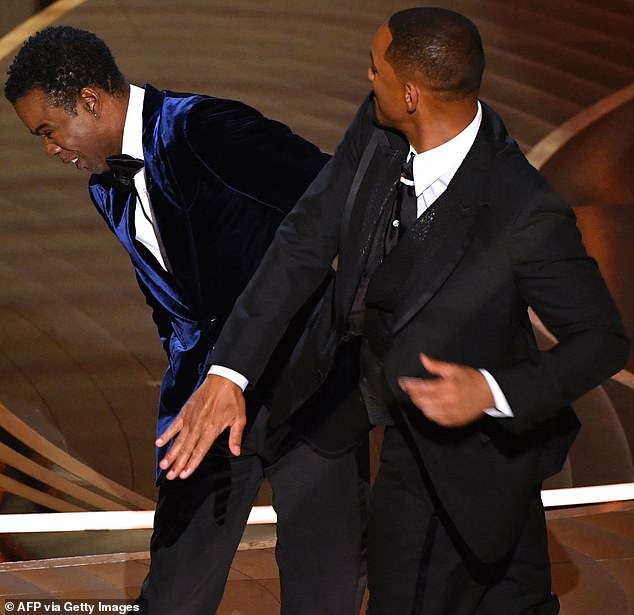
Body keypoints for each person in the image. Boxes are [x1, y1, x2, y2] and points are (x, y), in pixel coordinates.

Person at [155, 7, 630, 615]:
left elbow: (601, 340)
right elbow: (305, 239)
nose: (365, 76)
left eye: (374, 68)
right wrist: (230, 372)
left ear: (411, 94)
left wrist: (489, 391)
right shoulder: (378, 127)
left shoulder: (523, 212)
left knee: (505, 588)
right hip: (382, 416)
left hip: (476, 452)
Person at [4, 26, 370, 615]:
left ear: (90, 102)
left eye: (47, 130)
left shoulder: (204, 129)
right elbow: (169, 301)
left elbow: (337, 199)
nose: (49, 149)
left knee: (322, 593)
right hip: (203, 406)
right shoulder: (106, 188)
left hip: (310, 387)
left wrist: (348, 320)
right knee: (174, 595)